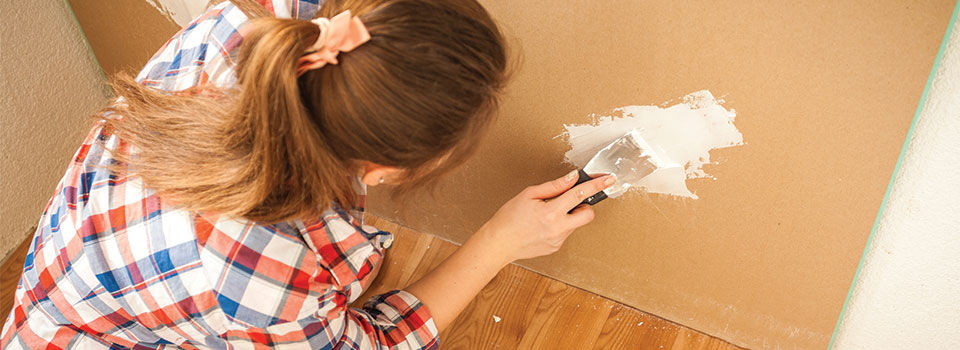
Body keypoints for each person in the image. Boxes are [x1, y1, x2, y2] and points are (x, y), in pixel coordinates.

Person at [0, 0, 615, 348]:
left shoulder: (245, 33)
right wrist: (498, 243)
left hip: (101, 277)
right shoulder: (263, 281)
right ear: (379, 171)